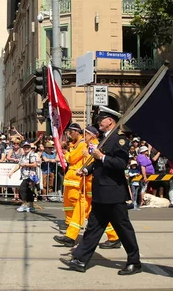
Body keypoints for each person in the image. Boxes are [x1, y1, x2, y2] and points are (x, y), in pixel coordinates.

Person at [60, 106, 141, 276]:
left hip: (113, 193)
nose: (98, 122)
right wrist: (87, 170)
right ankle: (80, 259)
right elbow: (97, 163)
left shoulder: (119, 139)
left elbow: (120, 164)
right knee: (93, 228)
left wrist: (101, 157)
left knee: (123, 229)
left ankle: (134, 262)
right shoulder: (105, 139)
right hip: (100, 193)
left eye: (101, 119)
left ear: (110, 120)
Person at [54, 123, 121, 249]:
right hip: (87, 183)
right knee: (89, 210)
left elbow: (95, 160)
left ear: (91, 135)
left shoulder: (96, 144)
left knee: (96, 212)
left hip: (93, 184)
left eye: (86, 134)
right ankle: (71, 236)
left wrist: (87, 154)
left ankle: (114, 237)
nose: (84, 136)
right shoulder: (87, 143)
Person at [8, 141, 38, 212]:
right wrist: (12, 172)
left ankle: (24, 205)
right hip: (25, 176)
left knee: (22, 189)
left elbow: (35, 164)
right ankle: (31, 206)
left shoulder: (32, 155)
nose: (26, 148)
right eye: (25, 147)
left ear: (30, 148)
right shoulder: (23, 156)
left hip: (30, 176)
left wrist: (26, 165)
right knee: (29, 191)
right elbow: (19, 165)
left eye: (28, 147)